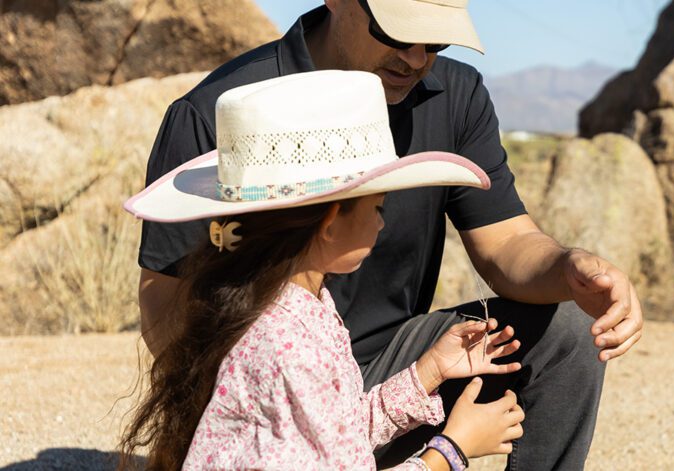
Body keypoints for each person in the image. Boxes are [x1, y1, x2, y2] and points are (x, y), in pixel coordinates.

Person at [138, 0, 644, 468]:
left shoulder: (454, 94)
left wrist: (571, 269)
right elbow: (167, 311)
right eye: (399, 33)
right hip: (259, 399)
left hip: (372, 381)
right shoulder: (220, 111)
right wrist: (240, 408)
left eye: (436, 41)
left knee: (568, 331)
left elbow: (506, 241)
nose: (418, 57)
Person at [119, 71, 526, 470]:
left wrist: (430, 370)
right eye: (377, 208)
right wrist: (452, 449)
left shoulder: (293, 307)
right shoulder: (288, 346)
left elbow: (338, 434)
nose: (383, 223)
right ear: (330, 224)